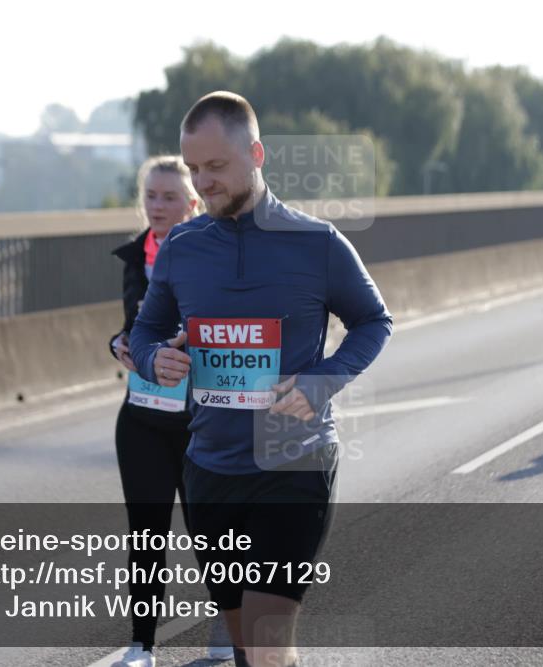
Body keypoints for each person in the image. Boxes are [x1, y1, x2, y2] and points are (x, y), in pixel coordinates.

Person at [130, 91, 393, 667]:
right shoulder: (181, 246)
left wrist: (321, 382)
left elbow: (374, 321)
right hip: (209, 469)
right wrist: (154, 360)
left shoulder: (318, 243)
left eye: (216, 167)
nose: (203, 183)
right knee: (247, 647)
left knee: (269, 645)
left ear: (256, 154)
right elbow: (147, 331)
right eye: (194, 168)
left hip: (291, 464)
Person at [108, 156, 231, 667]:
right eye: (151, 196)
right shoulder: (137, 257)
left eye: (169, 197)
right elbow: (129, 327)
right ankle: (142, 646)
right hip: (141, 416)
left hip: (201, 417)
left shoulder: (219, 253)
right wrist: (116, 343)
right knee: (146, 531)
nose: (157, 206)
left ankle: (229, 621)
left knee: (211, 529)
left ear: (193, 204)